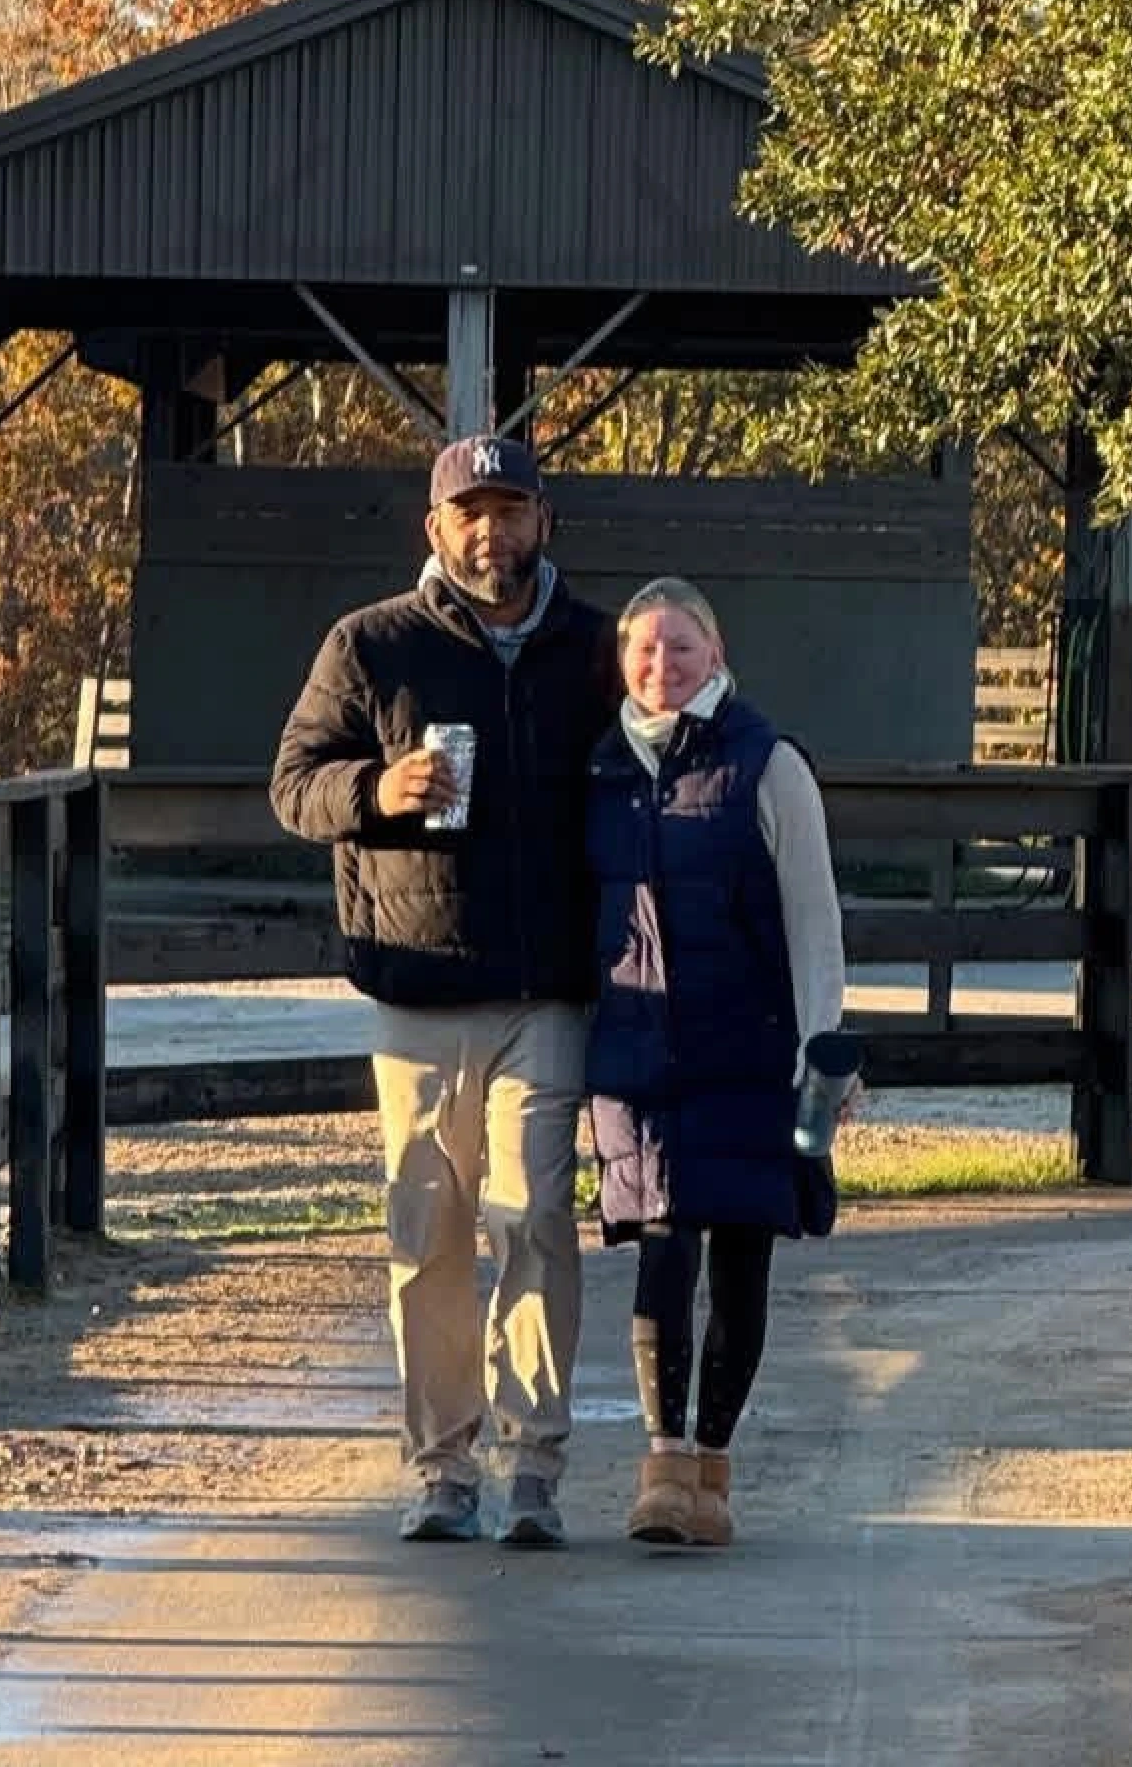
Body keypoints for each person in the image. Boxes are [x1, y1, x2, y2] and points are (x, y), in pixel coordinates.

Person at [270, 433, 616, 1548]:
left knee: (536, 1223)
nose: (490, 530)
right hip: (416, 995)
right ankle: (442, 1469)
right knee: (428, 1234)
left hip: (546, 993)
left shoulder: (592, 647)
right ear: (435, 529)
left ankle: (535, 1470)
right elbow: (292, 785)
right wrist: (378, 787)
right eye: (469, 511)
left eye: (509, 509)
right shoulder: (371, 644)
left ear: (542, 521)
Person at [584, 575, 847, 1547]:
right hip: (640, 1051)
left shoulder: (768, 766)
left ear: (717, 654)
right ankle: (664, 1468)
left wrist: (822, 1051)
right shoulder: (606, 769)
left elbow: (815, 922)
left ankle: (713, 1470)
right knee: (659, 1247)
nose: (663, 667)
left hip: (750, 1047)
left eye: (681, 648)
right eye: (645, 650)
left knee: (739, 1255)